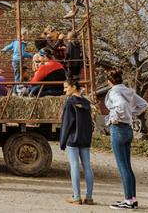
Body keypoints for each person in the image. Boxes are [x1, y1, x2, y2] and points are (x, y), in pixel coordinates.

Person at [105, 70, 148, 210]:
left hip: (118, 128)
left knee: (123, 167)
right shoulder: (128, 91)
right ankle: (132, 199)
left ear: (109, 81)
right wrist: (131, 114)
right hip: (128, 129)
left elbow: (122, 105)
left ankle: (128, 201)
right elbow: (144, 104)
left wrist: (114, 118)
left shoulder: (114, 91)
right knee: (127, 167)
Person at [60, 77, 94, 205]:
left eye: (66, 87)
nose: (64, 90)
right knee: (87, 166)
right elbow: (90, 123)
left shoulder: (70, 103)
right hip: (85, 139)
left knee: (74, 166)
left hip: (73, 139)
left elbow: (66, 123)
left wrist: (63, 141)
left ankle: (77, 197)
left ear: (74, 87)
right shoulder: (87, 103)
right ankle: (89, 197)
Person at [1, 29, 33, 94]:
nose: (27, 37)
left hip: (14, 60)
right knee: (18, 76)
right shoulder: (22, 43)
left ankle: (17, 90)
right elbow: (22, 54)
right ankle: (15, 91)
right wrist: (30, 55)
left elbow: (9, 46)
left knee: (18, 75)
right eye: (26, 35)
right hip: (18, 61)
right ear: (23, 35)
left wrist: (4, 49)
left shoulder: (15, 41)